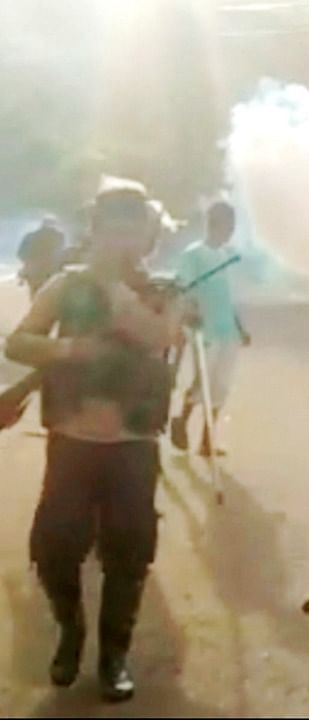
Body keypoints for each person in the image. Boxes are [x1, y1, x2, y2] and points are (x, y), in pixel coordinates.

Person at [5, 178, 185, 703]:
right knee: (55, 549)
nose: (123, 245)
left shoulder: (164, 291)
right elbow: (19, 341)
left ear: (148, 238)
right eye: (113, 233)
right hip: (71, 442)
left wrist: (114, 292)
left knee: (129, 553)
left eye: (135, 234)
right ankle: (71, 631)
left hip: (132, 445)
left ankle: (113, 655)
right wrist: (72, 351)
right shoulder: (63, 286)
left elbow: (160, 339)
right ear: (95, 231)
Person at [169, 202, 250, 456]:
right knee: (202, 380)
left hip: (228, 331)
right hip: (205, 329)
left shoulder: (226, 254)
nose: (230, 229)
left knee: (220, 385)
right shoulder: (193, 254)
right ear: (214, 223)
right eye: (227, 223)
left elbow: (228, 296)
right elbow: (184, 289)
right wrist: (190, 315)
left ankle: (206, 440)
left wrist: (240, 328)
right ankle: (181, 420)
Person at [18, 217, 66, 298]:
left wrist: (27, 265)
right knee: (52, 295)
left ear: (41, 225)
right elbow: (61, 253)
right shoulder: (59, 236)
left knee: (34, 293)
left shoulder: (30, 236)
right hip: (52, 270)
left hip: (34, 271)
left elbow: (20, 253)